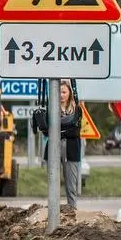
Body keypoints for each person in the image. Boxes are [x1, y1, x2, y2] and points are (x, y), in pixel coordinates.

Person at [34, 81, 83, 210]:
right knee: (53, 182)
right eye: (59, 92)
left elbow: (75, 131)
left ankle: (72, 209)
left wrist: (56, 130)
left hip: (71, 150)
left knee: (71, 184)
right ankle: (53, 210)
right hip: (53, 149)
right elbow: (46, 131)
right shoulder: (50, 109)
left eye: (64, 92)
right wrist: (63, 130)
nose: (61, 95)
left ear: (69, 94)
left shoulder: (77, 109)